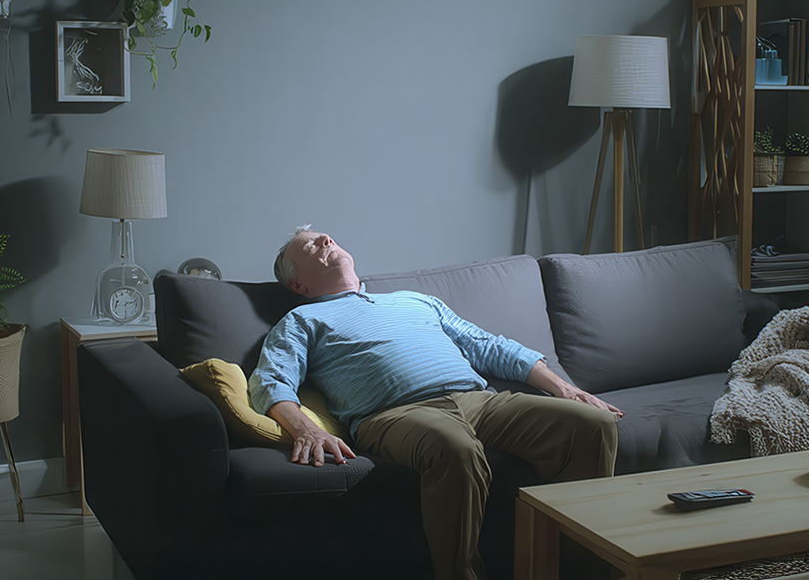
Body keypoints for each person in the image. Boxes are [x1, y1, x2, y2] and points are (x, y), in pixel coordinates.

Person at [249, 227, 621, 580]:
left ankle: (577, 570)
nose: (326, 240)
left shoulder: (415, 300)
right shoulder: (301, 319)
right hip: (393, 415)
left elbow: (488, 346)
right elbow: (270, 380)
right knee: (456, 448)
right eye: (312, 245)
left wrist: (563, 388)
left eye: (324, 237)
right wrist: (306, 429)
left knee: (592, 425)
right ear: (297, 284)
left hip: (479, 400)